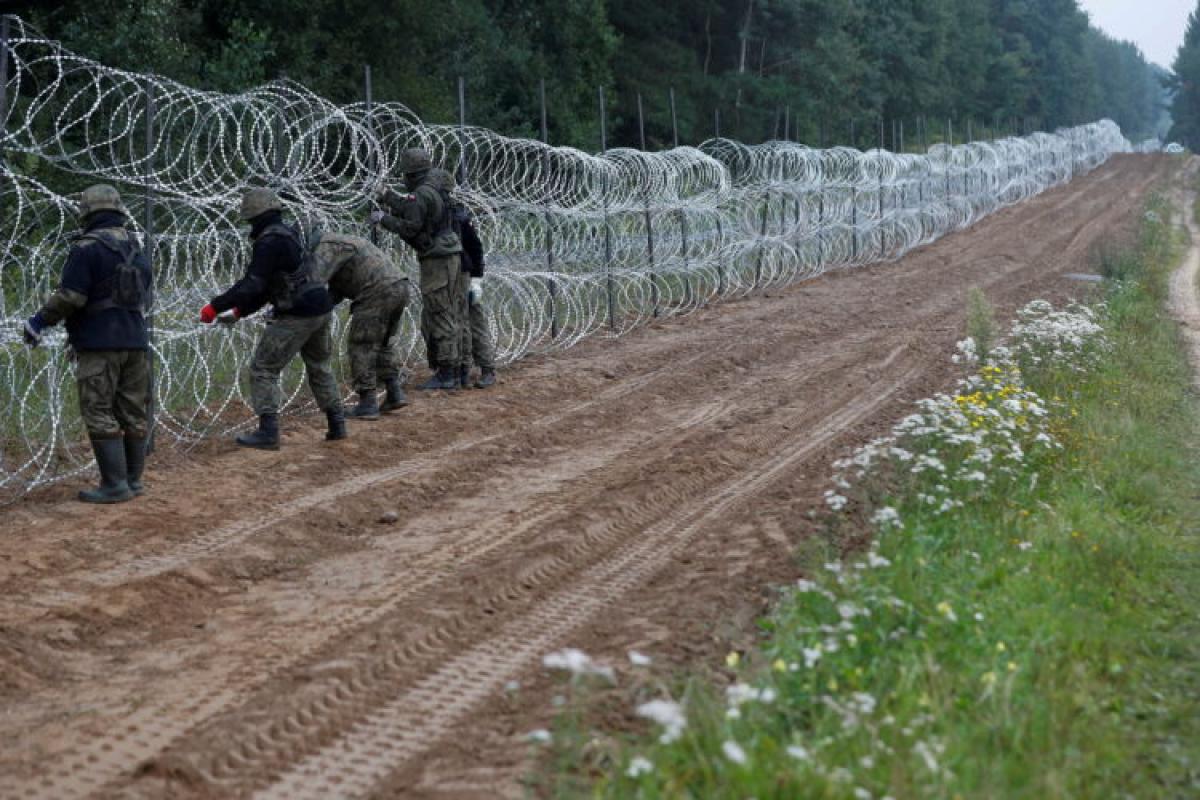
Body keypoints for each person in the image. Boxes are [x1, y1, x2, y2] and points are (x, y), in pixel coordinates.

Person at [23, 184, 153, 504]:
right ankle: (133, 481)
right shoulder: (137, 248)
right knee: (133, 411)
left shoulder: (87, 248)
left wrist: (39, 322)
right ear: (118, 211)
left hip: (99, 342)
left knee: (97, 409)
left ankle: (114, 484)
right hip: (136, 340)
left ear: (87, 213)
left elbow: (72, 296)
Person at [199, 187, 345, 450]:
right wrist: (239, 311)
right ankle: (337, 424)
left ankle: (268, 433)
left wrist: (215, 305)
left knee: (263, 368)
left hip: (298, 313)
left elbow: (253, 284)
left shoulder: (269, 241)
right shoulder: (288, 235)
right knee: (319, 366)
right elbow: (271, 286)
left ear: (254, 216)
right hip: (320, 306)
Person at [371, 148, 466, 391]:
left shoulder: (422, 193)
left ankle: (447, 373)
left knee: (439, 312)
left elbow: (411, 226)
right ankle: (455, 369)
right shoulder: (434, 188)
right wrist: (388, 196)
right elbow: (411, 207)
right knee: (448, 311)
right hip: (450, 255)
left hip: (437, 260)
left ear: (411, 173)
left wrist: (383, 219)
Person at [310, 232, 411, 419]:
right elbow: (337, 289)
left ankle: (368, 402)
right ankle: (394, 392)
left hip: (377, 291)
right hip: (400, 286)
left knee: (362, 346)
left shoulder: (325, 247)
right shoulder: (343, 242)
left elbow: (315, 282)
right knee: (384, 343)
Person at [431, 170, 497, 389]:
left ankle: (487, 370)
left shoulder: (457, 215)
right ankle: (461, 371)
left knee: (473, 322)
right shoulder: (441, 213)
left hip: (464, 274)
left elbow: (475, 247)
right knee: (457, 323)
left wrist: (477, 279)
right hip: (449, 275)